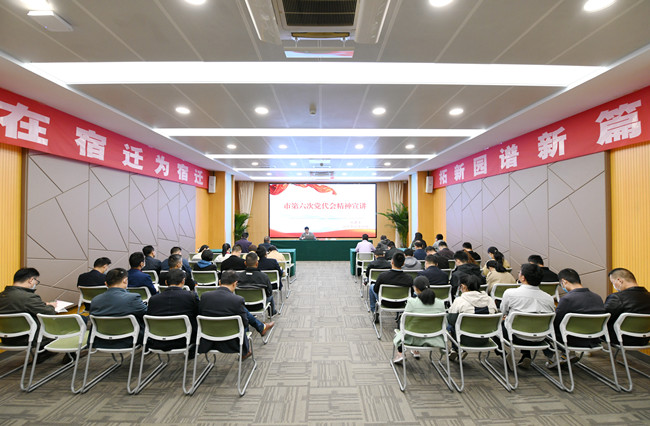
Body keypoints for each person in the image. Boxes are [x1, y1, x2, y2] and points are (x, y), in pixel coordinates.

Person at [197, 271, 274, 357]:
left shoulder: (204, 296)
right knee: (243, 315)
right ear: (235, 284)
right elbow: (245, 323)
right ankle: (253, 339)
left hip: (208, 339)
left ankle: (261, 327)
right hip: (232, 340)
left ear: (219, 282)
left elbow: (200, 314)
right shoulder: (237, 300)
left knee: (242, 311)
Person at [544, 268, 605, 367]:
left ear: (564, 281)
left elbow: (555, 323)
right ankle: (566, 354)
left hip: (572, 340)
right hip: (593, 340)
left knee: (543, 330)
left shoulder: (567, 299)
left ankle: (553, 357)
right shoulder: (597, 297)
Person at [500, 263, 555, 368]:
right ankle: (527, 355)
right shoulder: (549, 298)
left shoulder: (510, 293)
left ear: (523, 278)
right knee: (528, 324)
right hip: (540, 338)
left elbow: (503, 312)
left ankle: (506, 355)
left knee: (496, 326)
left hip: (515, 337)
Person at [392, 276, 446, 364]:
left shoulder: (411, 302)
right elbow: (444, 324)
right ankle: (415, 350)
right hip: (434, 339)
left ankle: (400, 353)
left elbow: (404, 323)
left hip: (413, 338)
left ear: (415, 288)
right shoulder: (441, 303)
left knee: (402, 321)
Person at [90, 268, 148, 348]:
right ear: (125, 280)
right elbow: (147, 313)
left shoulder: (95, 300)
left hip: (101, 341)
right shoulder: (132, 298)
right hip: (129, 340)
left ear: (106, 284)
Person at [146, 269, 199, 354]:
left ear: (166, 282)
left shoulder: (153, 300)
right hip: (185, 340)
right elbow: (198, 313)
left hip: (158, 340)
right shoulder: (191, 297)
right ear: (183, 281)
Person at [0, 268, 57, 347]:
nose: (35, 284)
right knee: (63, 330)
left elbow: (18, 305)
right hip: (30, 339)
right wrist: (51, 306)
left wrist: (43, 304)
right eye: (36, 282)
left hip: (6, 340)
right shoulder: (28, 297)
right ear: (31, 280)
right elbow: (49, 312)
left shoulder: (2, 295)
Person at [447, 275, 498, 360]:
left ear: (463, 286)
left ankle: (455, 348)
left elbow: (451, 320)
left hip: (464, 340)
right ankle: (456, 349)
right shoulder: (490, 300)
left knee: (449, 324)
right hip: (485, 339)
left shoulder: (459, 301)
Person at [605, 268, 650, 346]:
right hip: (644, 340)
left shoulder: (616, 297)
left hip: (620, 339)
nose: (614, 286)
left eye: (613, 282)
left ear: (620, 281)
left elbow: (603, 317)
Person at [370, 252, 413, 323]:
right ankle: (400, 314)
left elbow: (376, 290)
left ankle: (374, 311)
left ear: (392, 262)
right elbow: (411, 293)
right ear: (403, 263)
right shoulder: (409, 278)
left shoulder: (383, 276)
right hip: (401, 303)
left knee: (372, 286)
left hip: (385, 302)